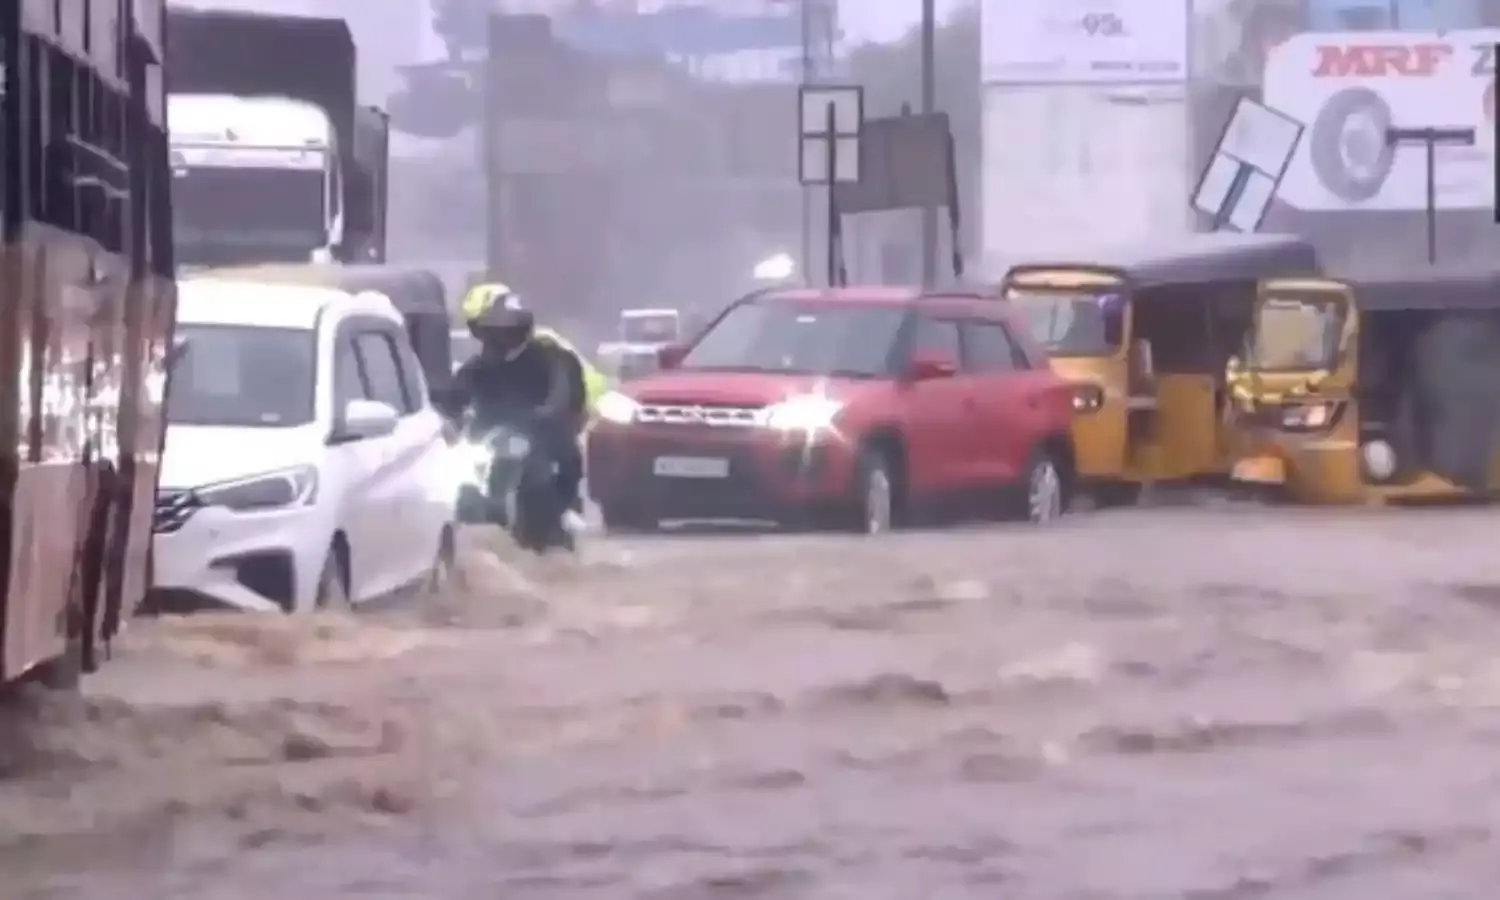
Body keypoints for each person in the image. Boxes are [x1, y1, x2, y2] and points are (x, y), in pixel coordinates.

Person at [442, 282, 587, 520]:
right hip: (488, 442)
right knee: (459, 487)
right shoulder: (477, 367)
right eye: (483, 332)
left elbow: (564, 397)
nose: (490, 339)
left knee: (555, 470)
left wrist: (547, 416)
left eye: (494, 331)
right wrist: (448, 420)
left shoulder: (552, 358)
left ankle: (560, 519)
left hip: (542, 442)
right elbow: (454, 399)